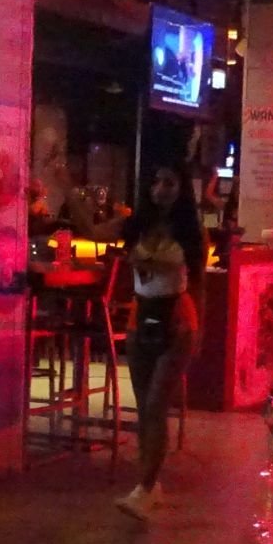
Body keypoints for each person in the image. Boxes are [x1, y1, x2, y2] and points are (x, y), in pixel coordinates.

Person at [74, 161, 204, 521]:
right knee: (146, 406)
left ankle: (144, 488)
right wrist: (69, 190)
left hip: (177, 320)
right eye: (156, 181)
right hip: (140, 317)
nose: (161, 189)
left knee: (156, 404)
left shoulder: (190, 231)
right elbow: (92, 231)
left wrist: (200, 331)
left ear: (182, 189)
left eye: (170, 182)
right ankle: (151, 483)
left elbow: (200, 284)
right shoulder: (135, 225)